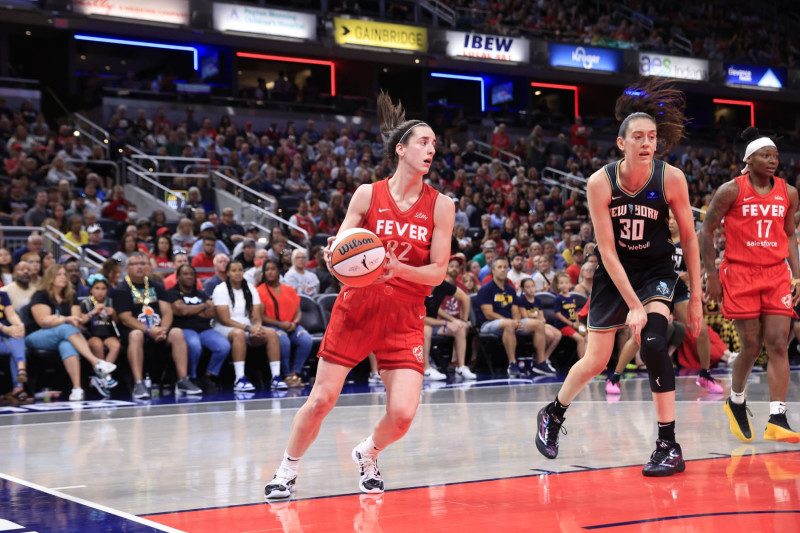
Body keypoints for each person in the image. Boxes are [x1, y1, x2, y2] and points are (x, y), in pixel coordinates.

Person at [264, 91, 454, 499]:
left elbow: (438, 273)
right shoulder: (368, 194)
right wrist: (334, 255)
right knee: (320, 400)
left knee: (402, 415)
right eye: (424, 141)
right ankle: (286, 469)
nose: (432, 149)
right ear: (401, 149)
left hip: (405, 315)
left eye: (435, 144)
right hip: (357, 309)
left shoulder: (442, 206)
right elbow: (341, 249)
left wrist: (398, 268)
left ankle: (368, 452)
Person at [534, 80, 703, 477]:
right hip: (615, 273)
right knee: (595, 360)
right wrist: (631, 304)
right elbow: (606, 251)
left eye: (653, 137)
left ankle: (668, 443)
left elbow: (691, 240)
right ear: (621, 143)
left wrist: (694, 297)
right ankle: (553, 412)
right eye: (639, 137)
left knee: (655, 343)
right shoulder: (600, 182)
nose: (647, 143)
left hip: (658, 270)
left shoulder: (671, 178)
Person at [699, 126, 800, 443]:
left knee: (779, 343)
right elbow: (707, 231)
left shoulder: (789, 192)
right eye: (765, 156)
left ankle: (778, 418)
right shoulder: (731, 190)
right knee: (752, 346)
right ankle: (736, 401)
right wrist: (712, 274)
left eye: (775, 156)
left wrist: (797, 274)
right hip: (740, 272)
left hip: (775, 273)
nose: (772, 161)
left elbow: (790, 235)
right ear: (749, 159)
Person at [113, 252, 202, 399]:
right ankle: (139, 384)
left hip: (159, 329)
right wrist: (149, 330)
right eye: (135, 264)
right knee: (136, 335)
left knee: (177, 333)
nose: (140, 267)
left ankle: (183, 380)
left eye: (142, 264)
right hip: (134, 330)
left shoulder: (157, 286)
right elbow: (125, 318)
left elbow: (167, 312)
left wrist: (163, 330)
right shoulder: (122, 289)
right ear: (127, 268)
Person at [25, 264, 118, 401]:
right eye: (59, 275)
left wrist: (58, 319)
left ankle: (77, 388)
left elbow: (77, 321)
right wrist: (65, 319)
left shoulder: (70, 296)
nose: (63, 277)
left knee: (66, 344)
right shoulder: (41, 295)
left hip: (64, 335)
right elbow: (43, 322)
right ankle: (96, 363)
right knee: (66, 327)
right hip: (37, 335)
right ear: (50, 278)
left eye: (64, 274)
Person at [212, 259, 280, 392]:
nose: (238, 273)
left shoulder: (250, 288)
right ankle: (239, 378)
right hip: (224, 327)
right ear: (228, 273)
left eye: (240, 270)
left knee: (271, 333)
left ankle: (276, 377)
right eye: (234, 270)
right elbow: (225, 319)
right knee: (239, 334)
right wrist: (249, 328)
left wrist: (257, 327)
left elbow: (255, 316)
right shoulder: (220, 289)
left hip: (248, 326)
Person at [168, 264, 231, 393]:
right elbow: (181, 311)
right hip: (184, 328)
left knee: (224, 346)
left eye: (192, 274)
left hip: (204, 329)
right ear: (178, 277)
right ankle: (191, 377)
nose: (189, 277)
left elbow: (212, 312)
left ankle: (207, 376)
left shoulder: (201, 293)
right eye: (186, 274)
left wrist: (190, 309)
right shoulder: (172, 293)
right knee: (194, 345)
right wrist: (202, 307)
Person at [258, 259, 313, 388]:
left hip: (291, 325)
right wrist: (279, 323)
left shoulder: (289, 289)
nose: (270, 272)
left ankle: (295, 373)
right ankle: (286, 375)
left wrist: (294, 322)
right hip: (271, 326)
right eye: (267, 270)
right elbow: (261, 316)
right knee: (283, 339)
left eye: (273, 269)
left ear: (279, 271)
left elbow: (298, 311)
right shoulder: (259, 291)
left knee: (306, 339)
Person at [476, 257, 526, 377]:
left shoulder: (510, 289)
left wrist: (517, 320)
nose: (503, 270)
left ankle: (540, 362)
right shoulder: (486, 289)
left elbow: (515, 310)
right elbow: (489, 314)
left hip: (508, 322)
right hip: (488, 324)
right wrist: (509, 321)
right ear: (493, 270)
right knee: (509, 324)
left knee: (538, 325)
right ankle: (512, 363)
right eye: (500, 267)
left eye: (505, 267)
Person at [421, 279, 476, 380]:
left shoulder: (442, 284)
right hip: (415, 324)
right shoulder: (418, 287)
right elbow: (422, 319)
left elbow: (465, 298)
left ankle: (460, 368)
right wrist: (446, 323)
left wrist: (462, 321)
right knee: (426, 329)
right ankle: (426, 369)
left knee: (459, 328)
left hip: (435, 323)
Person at [80, 274, 121, 398]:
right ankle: (105, 378)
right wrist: (93, 312)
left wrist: (113, 313)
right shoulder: (86, 302)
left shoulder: (111, 302)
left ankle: (102, 376)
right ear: (91, 290)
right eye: (97, 288)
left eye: (103, 288)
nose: (100, 292)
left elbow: (118, 323)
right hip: (92, 334)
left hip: (108, 333)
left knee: (116, 345)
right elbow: (81, 320)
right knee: (97, 344)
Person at [0, 288, 30, 404]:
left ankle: (18, 386)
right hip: (4, 333)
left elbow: (11, 314)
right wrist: (5, 329)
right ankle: (21, 369)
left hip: (6, 338)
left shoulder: (3, 295)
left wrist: (19, 325)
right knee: (15, 339)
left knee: (17, 335)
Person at [551, 272, 586, 360]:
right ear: (558, 286)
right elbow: (558, 315)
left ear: (570, 285)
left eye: (566, 283)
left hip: (574, 324)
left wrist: (578, 324)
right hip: (564, 326)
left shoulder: (572, 297)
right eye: (561, 283)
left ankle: (588, 360)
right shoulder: (558, 298)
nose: (564, 285)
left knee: (587, 336)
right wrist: (571, 324)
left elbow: (575, 312)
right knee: (580, 340)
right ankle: (581, 363)